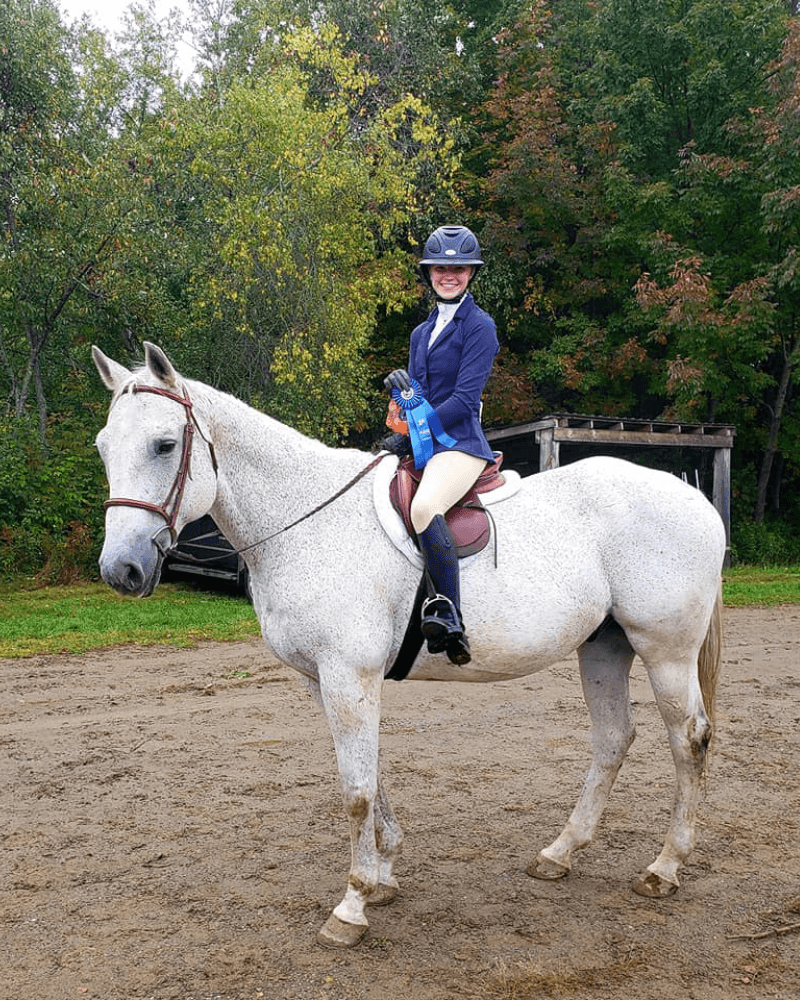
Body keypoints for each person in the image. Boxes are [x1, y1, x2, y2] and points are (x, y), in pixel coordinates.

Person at [382, 224, 499, 665]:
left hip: (463, 445)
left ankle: (449, 612)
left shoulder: (480, 327)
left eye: (458, 269)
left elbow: (465, 401)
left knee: (424, 507)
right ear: (429, 273)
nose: (448, 275)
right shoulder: (419, 333)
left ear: (470, 273)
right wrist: (402, 395)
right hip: (425, 442)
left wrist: (415, 431)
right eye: (440, 269)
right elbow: (421, 397)